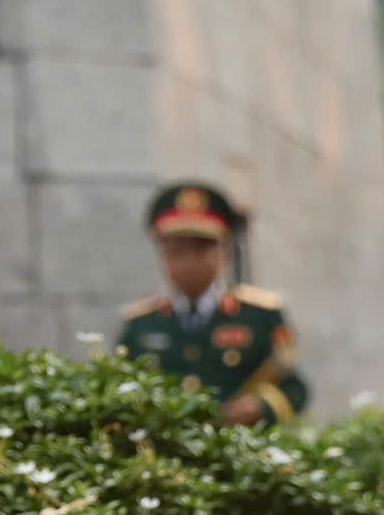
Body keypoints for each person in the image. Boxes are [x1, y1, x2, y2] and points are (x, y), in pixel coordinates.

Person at [114, 182, 308, 424]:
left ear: (224, 252)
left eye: (200, 249)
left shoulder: (259, 316)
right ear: (163, 255)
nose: (188, 262)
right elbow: (116, 392)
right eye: (176, 251)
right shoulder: (141, 324)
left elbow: (295, 389)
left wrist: (260, 408)